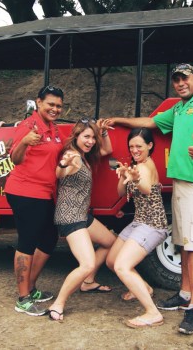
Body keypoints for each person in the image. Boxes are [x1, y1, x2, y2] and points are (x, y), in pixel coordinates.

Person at [110, 63, 193, 334]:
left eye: (184, 78)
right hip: (181, 184)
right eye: (176, 79)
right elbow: (150, 123)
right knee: (182, 242)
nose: (180, 83)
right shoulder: (179, 108)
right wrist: (119, 121)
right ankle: (184, 294)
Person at [46, 118, 117, 322]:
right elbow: (60, 173)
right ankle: (58, 304)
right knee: (86, 263)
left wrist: (102, 132)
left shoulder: (85, 156)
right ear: (76, 136)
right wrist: (63, 164)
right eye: (86, 136)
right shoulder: (73, 156)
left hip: (82, 214)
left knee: (110, 242)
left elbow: (108, 150)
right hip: (70, 217)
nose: (91, 141)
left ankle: (88, 282)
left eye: (93, 137)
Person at [5, 85, 66, 316]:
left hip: (45, 192)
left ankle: (30, 287)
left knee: (49, 237)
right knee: (28, 242)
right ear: (38, 102)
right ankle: (23, 298)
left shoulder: (53, 127)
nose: (55, 109)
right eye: (51, 104)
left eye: (59, 106)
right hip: (25, 191)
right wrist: (24, 142)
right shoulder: (27, 126)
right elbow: (15, 159)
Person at [106, 128, 168, 329]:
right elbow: (120, 192)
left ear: (149, 146)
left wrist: (136, 179)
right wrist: (124, 176)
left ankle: (153, 313)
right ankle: (144, 288)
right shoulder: (135, 167)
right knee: (112, 260)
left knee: (122, 266)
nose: (134, 150)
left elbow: (147, 188)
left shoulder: (145, 167)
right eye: (131, 146)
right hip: (139, 222)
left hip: (152, 224)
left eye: (139, 146)